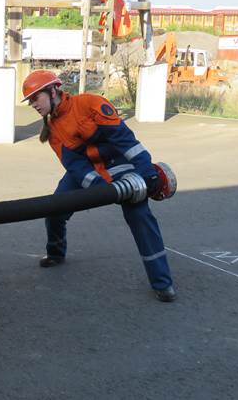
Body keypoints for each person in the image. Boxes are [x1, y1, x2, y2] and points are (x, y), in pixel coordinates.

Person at [21, 70, 177, 302]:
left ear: (53, 91)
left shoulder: (91, 104)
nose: (33, 104)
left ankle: (163, 284)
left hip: (119, 164)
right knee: (54, 210)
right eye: (30, 101)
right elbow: (75, 165)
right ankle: (56, 253)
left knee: (140, 217)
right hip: (85, 172)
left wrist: (147, 174)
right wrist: (99, 188)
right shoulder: (53, 130)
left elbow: (127, 142)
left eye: (36, 97)